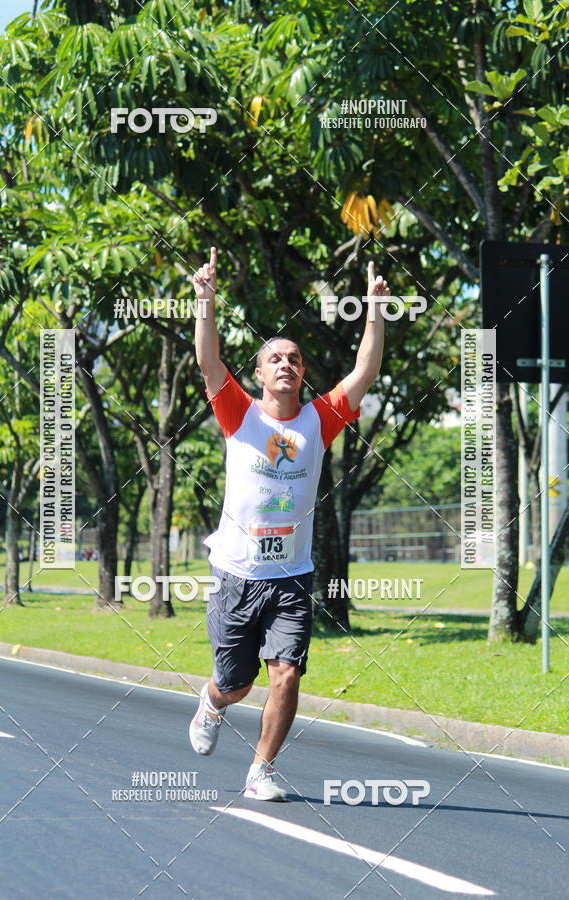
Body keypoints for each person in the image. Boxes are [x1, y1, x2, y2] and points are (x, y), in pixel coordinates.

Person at [190, 247, 387, 801]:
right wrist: (204, 302)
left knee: (286, 676)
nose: (286, 364)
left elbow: (365, 371)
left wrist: (374, 310)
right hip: (236, 574)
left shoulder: (319, 419)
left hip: (293, 576)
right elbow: (208, 362)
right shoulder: (239, 413)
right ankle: (211, 700)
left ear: (302, 373)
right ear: (258, 373)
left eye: (295, 358)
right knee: (238, 683)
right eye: (275, 358)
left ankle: (261, 771)